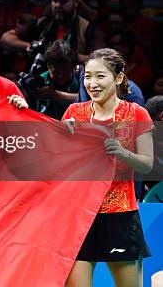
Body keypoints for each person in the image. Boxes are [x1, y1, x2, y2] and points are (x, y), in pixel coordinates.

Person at [63, 48, 153, 287]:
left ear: (119, 77)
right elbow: (57, 165)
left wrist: (122, 152)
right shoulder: (74, 113)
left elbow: (147, 164)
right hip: (80, 216)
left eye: (100, 76)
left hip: (120, 216)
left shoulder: (136, 113)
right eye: (87, 76)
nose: (92, 83)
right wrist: (62, 137)